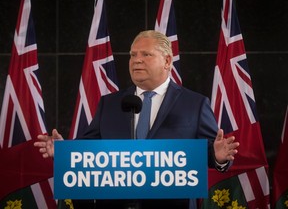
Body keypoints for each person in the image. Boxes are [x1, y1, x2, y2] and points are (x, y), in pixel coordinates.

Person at [34, 30, 239, 209]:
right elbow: (88, 151)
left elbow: (211, 155)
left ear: (167, 61)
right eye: (133, 55)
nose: (136, 60)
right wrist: (63, 152)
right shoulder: (110, 104)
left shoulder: (194, 104)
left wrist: (218, 156)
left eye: (146, 54)